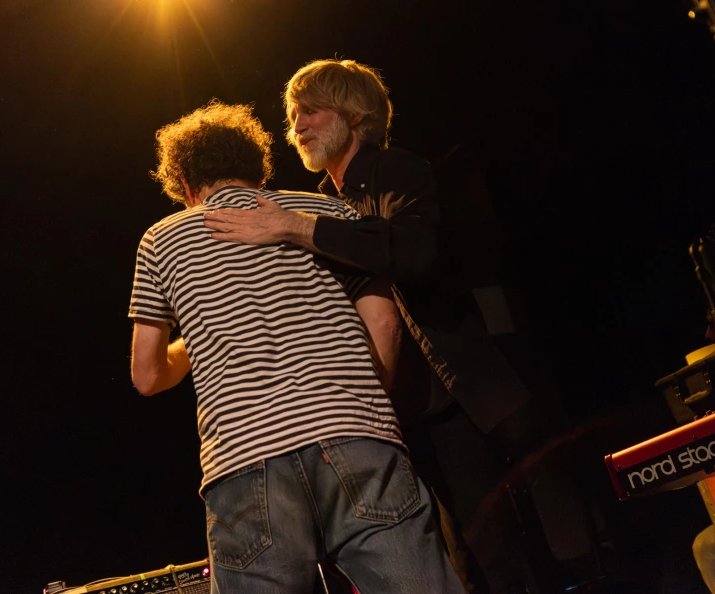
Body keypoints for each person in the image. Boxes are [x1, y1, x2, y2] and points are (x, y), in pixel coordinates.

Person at [203, 59, 545, 592]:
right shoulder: (323, 204)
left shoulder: (395, 170)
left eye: (310, 111)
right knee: (447, 562)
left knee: (495, 553)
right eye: (293, 116)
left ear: (354, 113)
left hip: (450, 401)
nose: (297, 126)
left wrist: (294, 226)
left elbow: (414, 252)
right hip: (381, 419)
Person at [128, 100, 466, 594]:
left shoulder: (162, 239)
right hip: (356, 432)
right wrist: (362, 403)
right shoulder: (325, 211)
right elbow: (385, 322)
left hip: (243, 458)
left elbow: (146, 376)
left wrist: (194, 339)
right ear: (257, 167)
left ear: (183, 181)